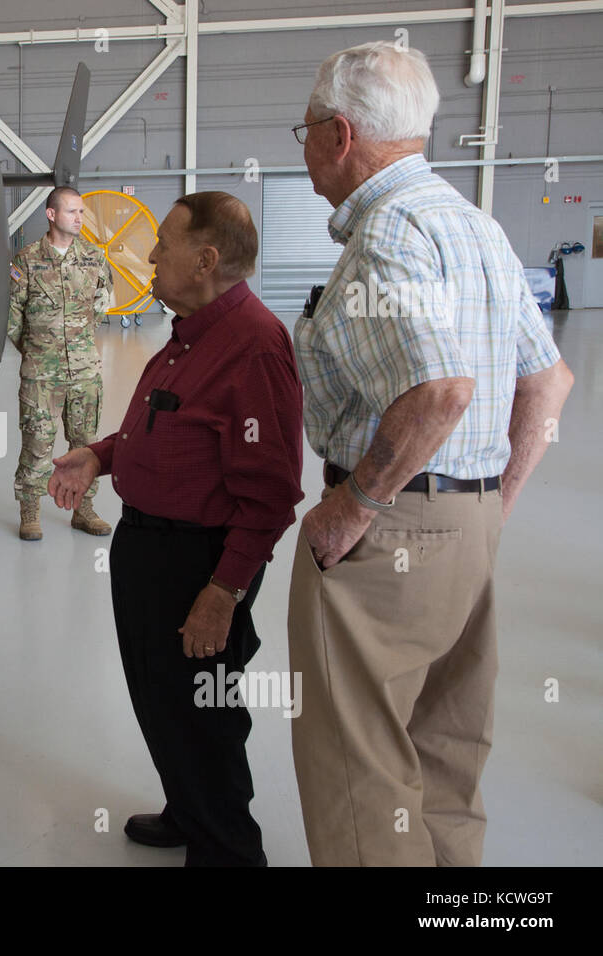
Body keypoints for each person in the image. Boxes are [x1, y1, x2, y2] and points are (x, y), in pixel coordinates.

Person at [289, 41, 575, 866]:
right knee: (447, 752)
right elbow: (548, 383)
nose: (301, 148)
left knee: (362, 773)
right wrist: (492, 504)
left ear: (340, 134)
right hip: (468, 520)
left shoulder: (388, 234)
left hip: (391, 534)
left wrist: (357, 505)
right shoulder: (474, 224)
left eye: (305, 130)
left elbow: (441, 389)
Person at [50, 192, 304, 866]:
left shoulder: (252, 345)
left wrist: (222, 594)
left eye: (164, 242)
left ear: (207, 258)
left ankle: (226, 848)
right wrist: (98, 456)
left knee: (204, 714)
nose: (152, 254)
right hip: (149, 549)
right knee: (164, 701)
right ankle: (189, 812)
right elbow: (166, 427)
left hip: (197, 563)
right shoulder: (192, 330)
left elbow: (273, 493)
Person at [7, 186, 115, 540]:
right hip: (41, 374)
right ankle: (30, 513)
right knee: (37, 444)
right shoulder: (26, 260)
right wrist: (39, 350)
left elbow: (101, 304)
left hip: (84, 372)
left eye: (82, 213)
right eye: (72, 212)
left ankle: (84, 511)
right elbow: (12, 319)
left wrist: (77, 341)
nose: (79, 219)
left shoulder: (94, 258)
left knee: (86, 443)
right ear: (51, 215)